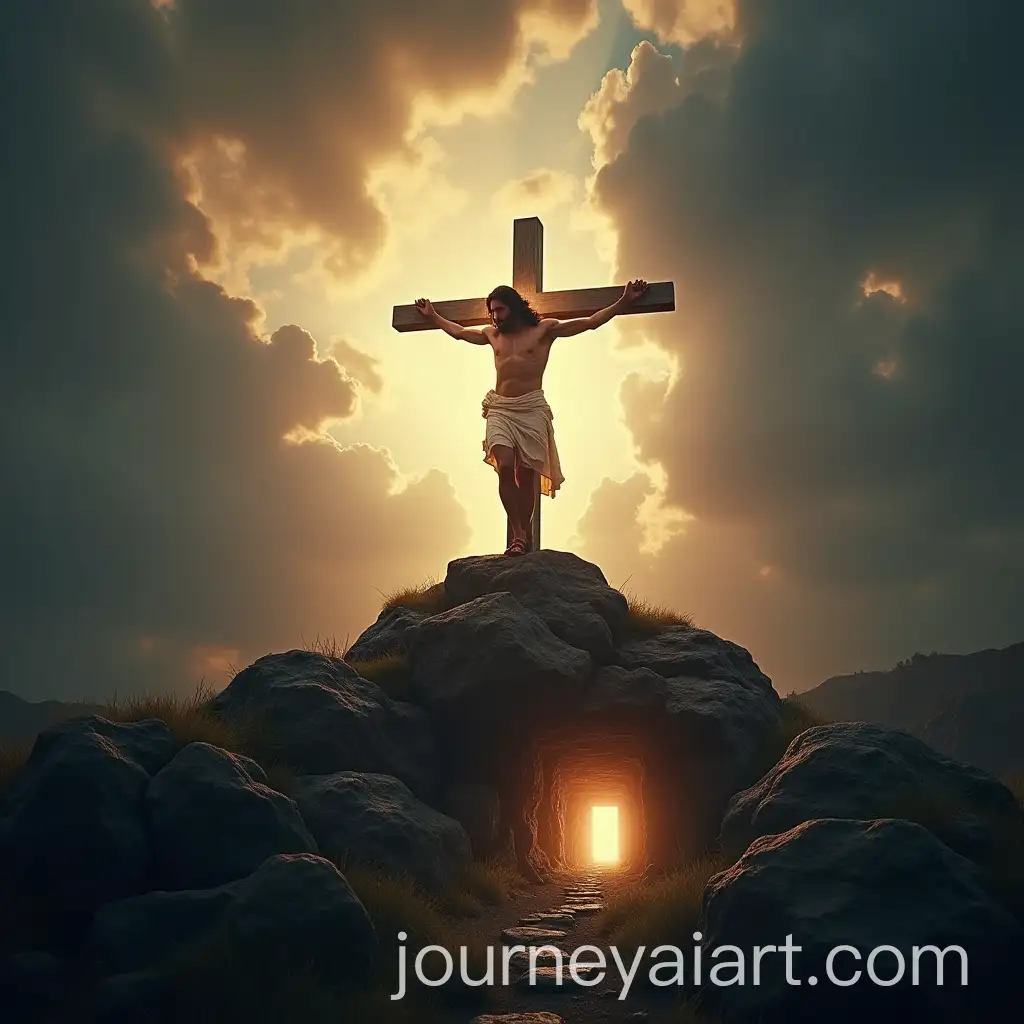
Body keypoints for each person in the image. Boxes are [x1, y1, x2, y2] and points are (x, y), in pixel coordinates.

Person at [414, 279, 649, 555]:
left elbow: (590, 322)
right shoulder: (493, 335)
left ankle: (522, 538)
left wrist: (624, 301)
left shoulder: (544, 330)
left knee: (526, 476)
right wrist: (433, 316)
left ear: (513, 307)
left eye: (500, 310)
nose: (495, 316)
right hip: (500, 408)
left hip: (531, 409)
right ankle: (518, 533)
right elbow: (459, 332)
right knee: (504, 466)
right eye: (492, 311)